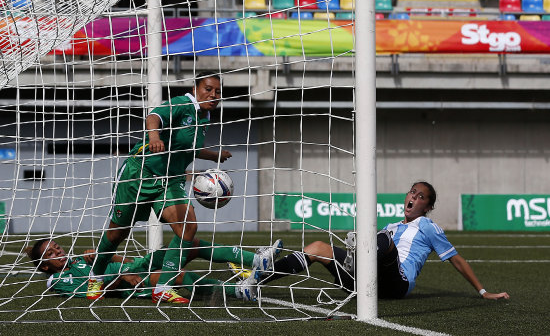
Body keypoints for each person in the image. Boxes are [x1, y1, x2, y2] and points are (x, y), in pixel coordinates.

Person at [87, 71, 269, 303]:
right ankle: (95, 277)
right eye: (208, 89)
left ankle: (163, 286)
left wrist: (213, 155)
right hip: (139, 174)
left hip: (169, 180)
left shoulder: (204, 116)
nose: (214, 95)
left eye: (218, 92)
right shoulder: (182, 104)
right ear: (195, 89)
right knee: (117, 233)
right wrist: (154, 137)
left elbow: (185, 147)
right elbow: (154, 116)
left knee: (187, 227)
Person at [246, 182, 510, 300]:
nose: (413, 197)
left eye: (421, 197)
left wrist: (483, 292)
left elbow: (456, 259)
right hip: (367, 280)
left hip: (397, 283)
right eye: (412, 192)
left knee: (384, 239)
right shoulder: (392, 225)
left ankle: (356, 258)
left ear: (428, 206)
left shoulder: (427, 226)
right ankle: (255, 280)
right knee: (318, 248)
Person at [27, 237, 281, 302]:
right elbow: (95, 293)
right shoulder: (57, 280)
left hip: (132, 267)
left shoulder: (76, 261)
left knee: (186, 243)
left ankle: (257, 260)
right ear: (44, 265)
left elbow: (120, 258)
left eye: (57, 247)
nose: (59, 252)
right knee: (176, 276)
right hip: (131, 284)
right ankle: (237, 291)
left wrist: (102, 257)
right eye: (51, 254)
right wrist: (119, 275)